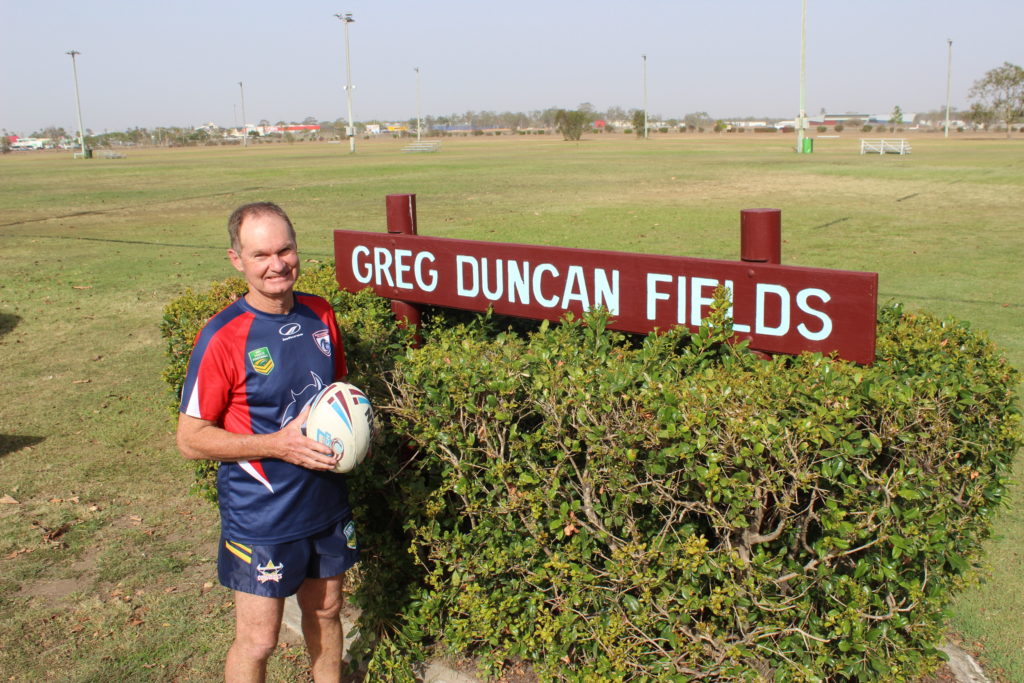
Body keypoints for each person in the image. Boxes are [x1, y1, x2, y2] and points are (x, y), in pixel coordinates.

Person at [177, 201, 356, 682]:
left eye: (285, 250)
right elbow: (191, 439)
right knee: (260, 640)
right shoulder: (221, 337)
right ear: (237, 260)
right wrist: (277, 445)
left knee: (326, 613)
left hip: (325, 500)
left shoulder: (321, 313)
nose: (277, 265)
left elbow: (335, 397)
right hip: (263, 513)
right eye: (260, 255)